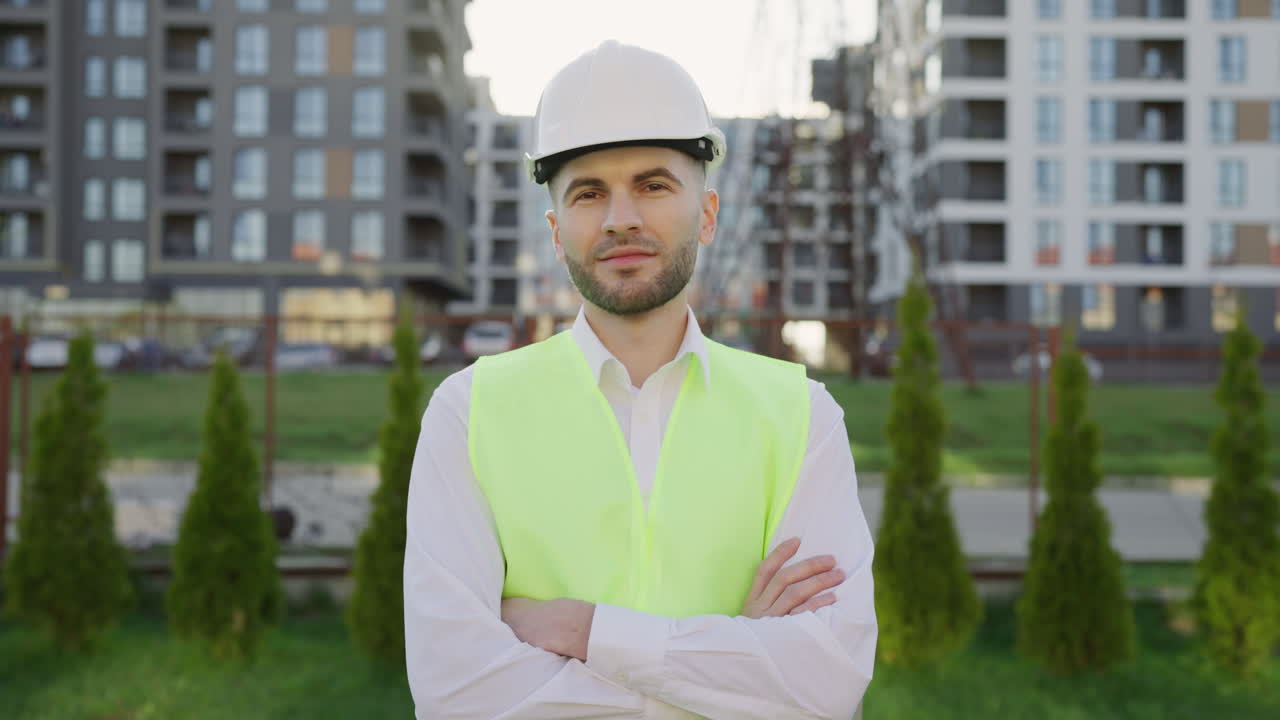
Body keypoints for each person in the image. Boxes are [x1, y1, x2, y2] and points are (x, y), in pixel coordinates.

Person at [404, 40, 876, 719]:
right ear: (556, 230)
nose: (621, 217)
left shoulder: (802, 415)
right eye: (589, 193)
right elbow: (458, 694)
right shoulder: (469, 412)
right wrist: (729, 670)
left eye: (653, 185)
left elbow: (827, 682)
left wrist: (582, 632)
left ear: (707, 214)